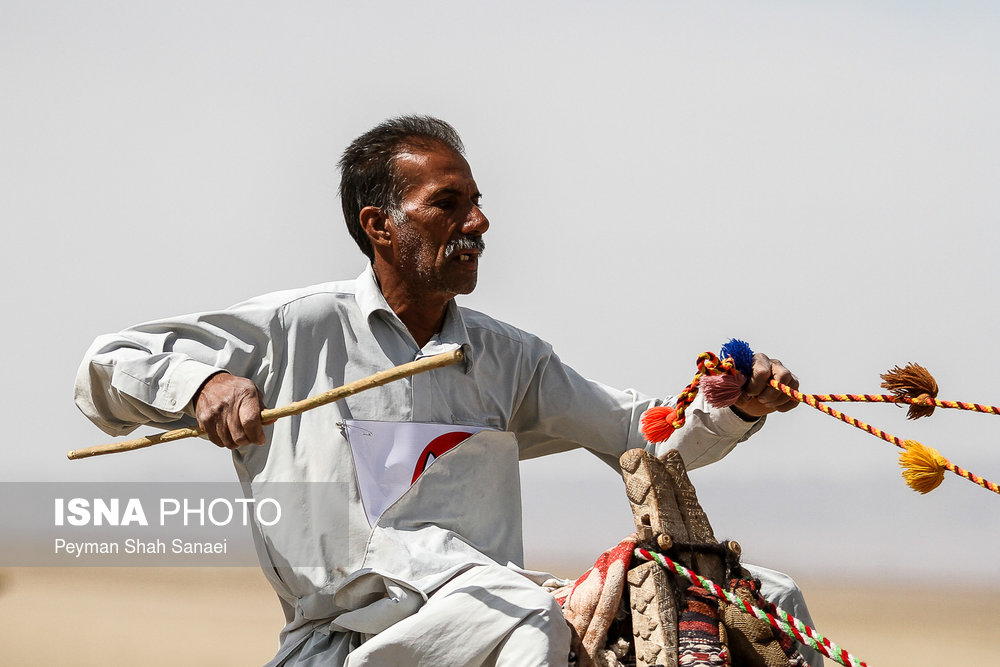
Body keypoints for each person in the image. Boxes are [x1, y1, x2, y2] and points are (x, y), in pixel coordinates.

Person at [75, 115, 817, 666]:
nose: (479, 221)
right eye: (448, 203)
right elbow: (108, 364)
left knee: (766, 600)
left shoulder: (507, 357)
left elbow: (638, 433)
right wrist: (202, 381)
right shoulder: (296, 329)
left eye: (478, 201)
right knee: (528, 614)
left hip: (490, 610)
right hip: (351, 637)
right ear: (380, 226)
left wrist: (733, 406)